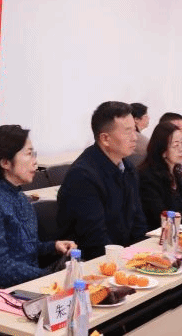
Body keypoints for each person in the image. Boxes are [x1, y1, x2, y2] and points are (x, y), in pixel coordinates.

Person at [0, 125, 76, 296]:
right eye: (28, 154)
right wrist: (47, 275)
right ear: (5, 163)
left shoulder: (19, 196)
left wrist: (53, 247)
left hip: (26, 287)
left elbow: (25, 248)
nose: (35, 161)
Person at [57, 101, 149, 259]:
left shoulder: (128, 168)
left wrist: (143, 256)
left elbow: (138, 222)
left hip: (123, 256)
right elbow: (95, 241)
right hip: (91, 262)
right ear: (105, 139)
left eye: (135, 130)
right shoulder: (83, 176)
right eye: (128, 132)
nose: (135, 138)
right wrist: (129, 259)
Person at [138, 122, 182, 229]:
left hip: (179, 230)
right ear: (162, 150)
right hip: (158, 234)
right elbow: (162, 217)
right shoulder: (147, 177)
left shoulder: (175, 171)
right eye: (176, 145)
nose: (181, 149)